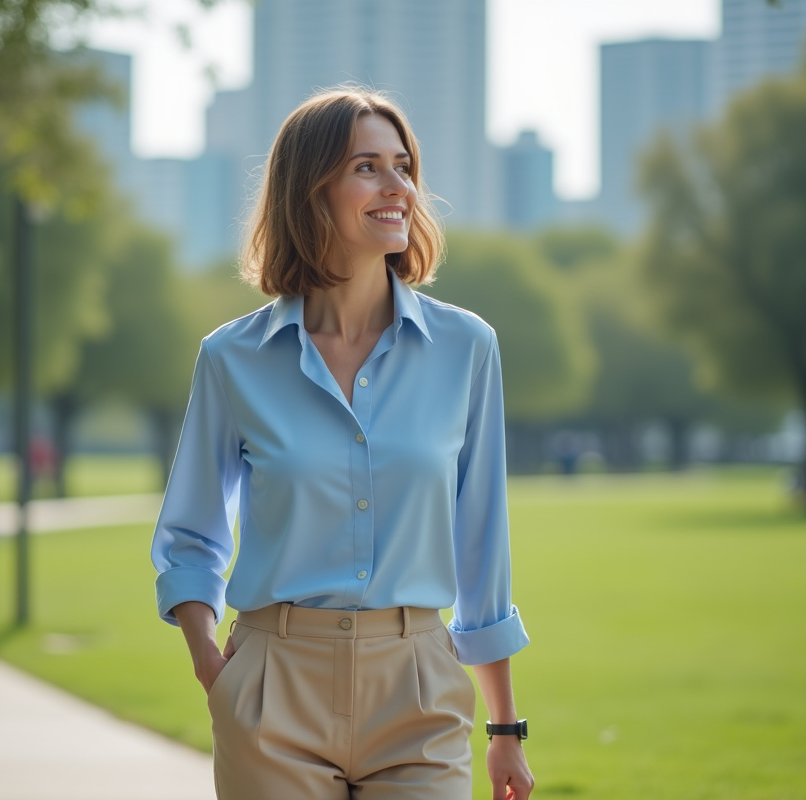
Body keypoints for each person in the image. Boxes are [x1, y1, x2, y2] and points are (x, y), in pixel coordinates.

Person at [151, 87, 535, 800]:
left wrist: (505, 728)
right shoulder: (233, 358)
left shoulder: (467, 348)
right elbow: (190, 534)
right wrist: (214, 667)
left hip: (418, 688)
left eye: (404, 166)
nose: (399, 188)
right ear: (311, 191)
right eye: (368, 167)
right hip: (273, 690)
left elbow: (483, 544)